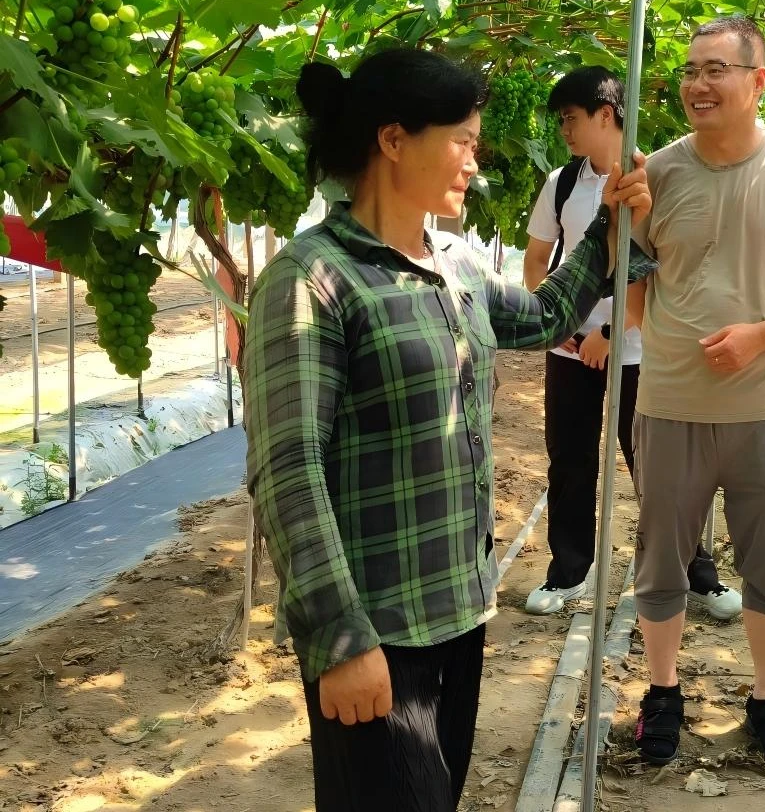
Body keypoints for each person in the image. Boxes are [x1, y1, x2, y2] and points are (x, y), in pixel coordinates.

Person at [242, 48, 653, 812]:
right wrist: (341, 638)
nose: (475, 159)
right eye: (462, 139)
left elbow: (546, 316)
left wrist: (607, 228)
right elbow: (287, 469)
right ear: (394, 140)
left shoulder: (455, 262)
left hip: (458, 612)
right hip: (375, 629)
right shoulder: (314, 280)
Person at [629, 17, 765, 777]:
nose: (697, 84)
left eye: (716, 69)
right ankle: (662, 693)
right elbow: (630, 289)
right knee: (660, 563)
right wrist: (624, 231)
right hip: (668, 404)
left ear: (758, 81)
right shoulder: (652, 173)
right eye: (690, 70)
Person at [521, 67, 741, 620]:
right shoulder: (561, 184)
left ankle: (694, 573)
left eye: (571, 118)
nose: (565, 131)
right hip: (570, 352)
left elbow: (669, 271)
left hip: (641, 350)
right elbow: (535, 262)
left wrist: (614, 332)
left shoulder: (654, 177)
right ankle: (568, 572)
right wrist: (569, 332)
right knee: (569, 462)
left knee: (660, 467)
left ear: (605, 113)